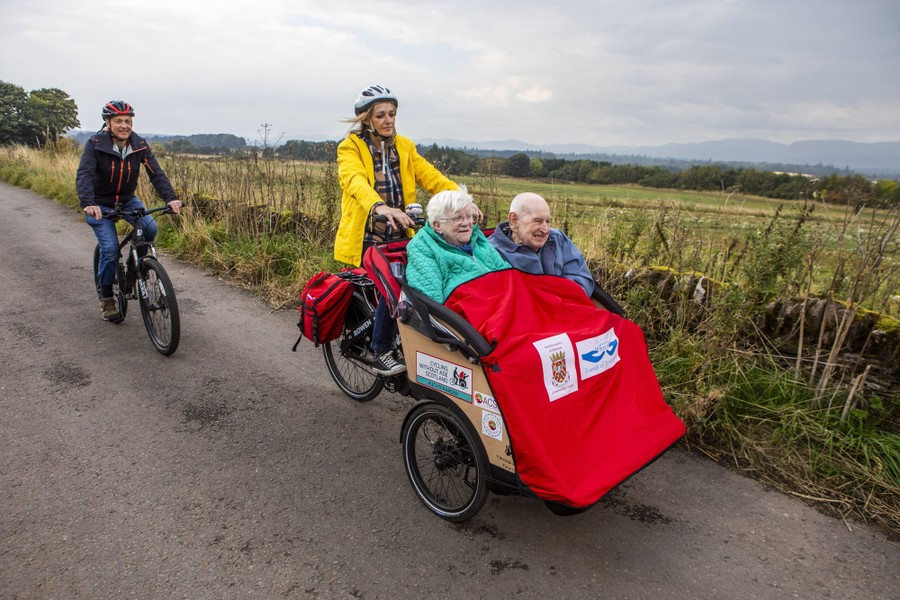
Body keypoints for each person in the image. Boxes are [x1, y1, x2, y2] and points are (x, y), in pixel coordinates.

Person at [335, 84, 466, 375]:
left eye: (392, 114)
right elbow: (353, 180)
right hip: (368, 237)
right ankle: (381, 349)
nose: (388, 120)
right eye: (380, 115)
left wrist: (461, 199)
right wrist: (379, 206)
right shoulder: (350, 147)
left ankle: (411, 341)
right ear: (367, 119)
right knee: (393, 288)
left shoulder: (404, 146)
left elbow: (430, 176)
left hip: (401, 233)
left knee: (425, 279)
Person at [76, 100, 182, 320]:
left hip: (127, 200)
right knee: (110, 248)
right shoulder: (95, 144)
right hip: (100, 203)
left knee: (150, 230)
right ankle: (106, 298)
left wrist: (170, 198)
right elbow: (85, 174)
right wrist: (88, 202)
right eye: (118, 121)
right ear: (108, 122)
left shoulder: (139, 144)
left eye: (127, 121)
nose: (124, 125)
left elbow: (156, 173)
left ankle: (136, 272)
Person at [406, 187, 510, 304]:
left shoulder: (477, 237)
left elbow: (508, 274)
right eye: (457, 218)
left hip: (505, 304)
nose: (466, 223)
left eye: (469, 216)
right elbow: (431, 302)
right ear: (437, 225)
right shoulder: (423, 247)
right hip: (472, 316)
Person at [488, 192, 595, 297]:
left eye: (548, 221)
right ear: (514, 220)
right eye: (537, 221)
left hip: (564, 310)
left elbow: (583, 281)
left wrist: (551, 299)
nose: (545, 229)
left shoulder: (558, 239)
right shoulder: (491, 251)